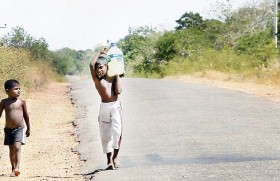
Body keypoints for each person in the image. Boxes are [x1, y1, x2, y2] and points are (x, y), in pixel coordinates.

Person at [89, 47, 123, 170]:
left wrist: (118, 75)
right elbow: (91, 64)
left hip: (115, 106)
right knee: (105, 134)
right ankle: (109, 160)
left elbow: (119, 91)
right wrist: (99, 52)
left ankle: (115, 157)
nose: (98, 70)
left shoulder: (113, 78)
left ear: (107, 67)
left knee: (117, 132)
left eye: (101, 67)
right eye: (97, 68)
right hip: (104, 107)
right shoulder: (97, 81)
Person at [0, 79, 31, 176]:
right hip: (8, 130)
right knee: (11, 150)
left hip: (19, 129)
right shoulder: (4, 102)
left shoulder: (21, 102)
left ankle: (17, 167)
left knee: (17, 147)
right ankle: (13, 167)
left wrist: (28, 128)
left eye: (19, 89)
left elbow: (26, 116)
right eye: (16, 89)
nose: (19, 91)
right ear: (7, 91)